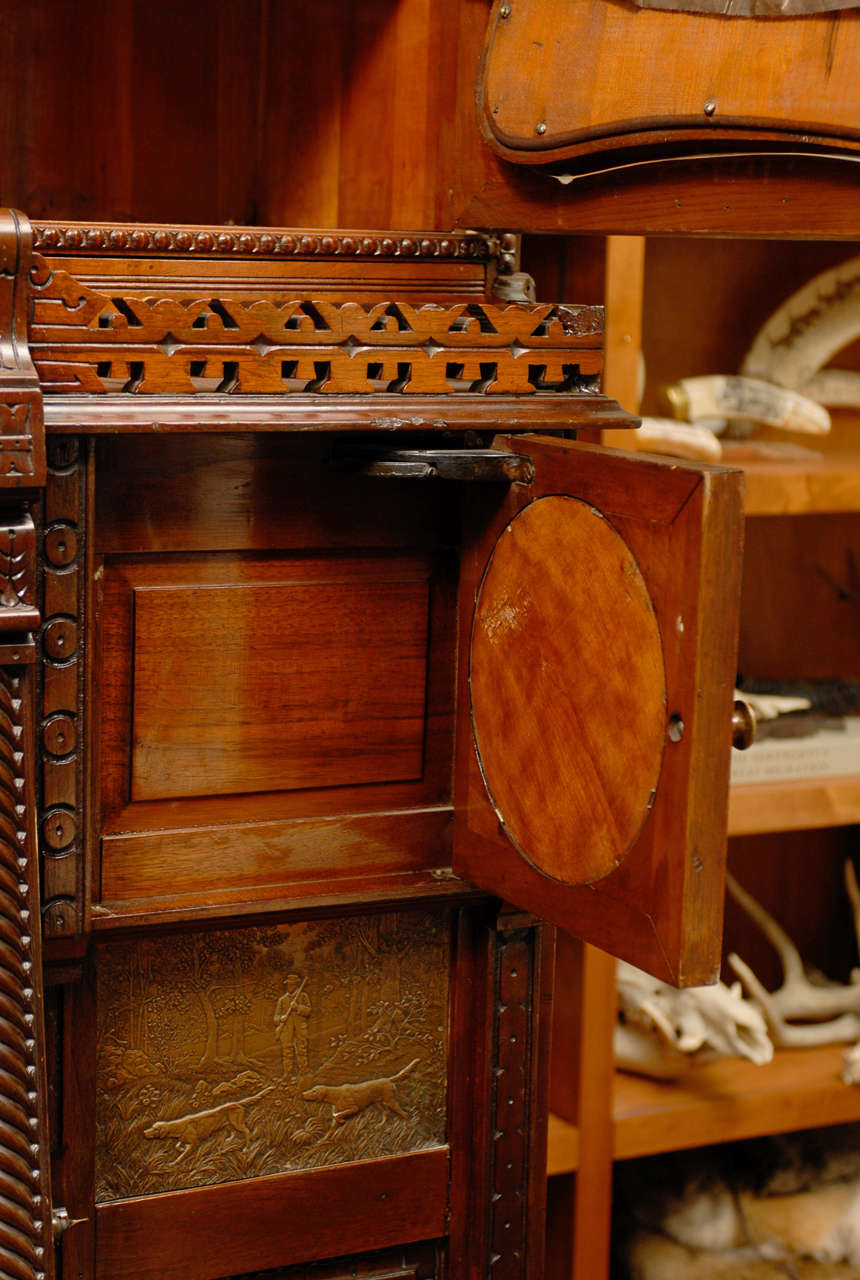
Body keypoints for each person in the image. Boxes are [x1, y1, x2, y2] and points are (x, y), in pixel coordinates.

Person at [274, 973, 311, 1079]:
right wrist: (281, 1018)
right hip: (286, 1030)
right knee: (287, 1051)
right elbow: (275, 1018)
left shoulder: (303, 996)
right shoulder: (282, 1000)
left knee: (302, 1050)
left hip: (300, 1028)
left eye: (292, 984)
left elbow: (308, 1011)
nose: (290, 986)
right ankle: (288, 1074)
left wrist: (297, 1007)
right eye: (289, 984)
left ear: (296, 985)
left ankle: (303, 1072)